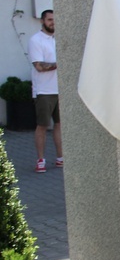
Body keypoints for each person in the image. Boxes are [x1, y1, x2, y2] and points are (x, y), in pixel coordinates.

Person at [28, 9, 63, 173]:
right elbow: (39, 66)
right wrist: (60, 63)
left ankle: (60, 158)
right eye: (49, 20)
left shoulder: (59, 38)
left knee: (60, 125)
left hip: (61, 89)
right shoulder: (36, 40)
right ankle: (40, 160)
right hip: (44, 91)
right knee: (42, 125)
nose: (53, 22)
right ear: (42, 21)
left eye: (55, 19)